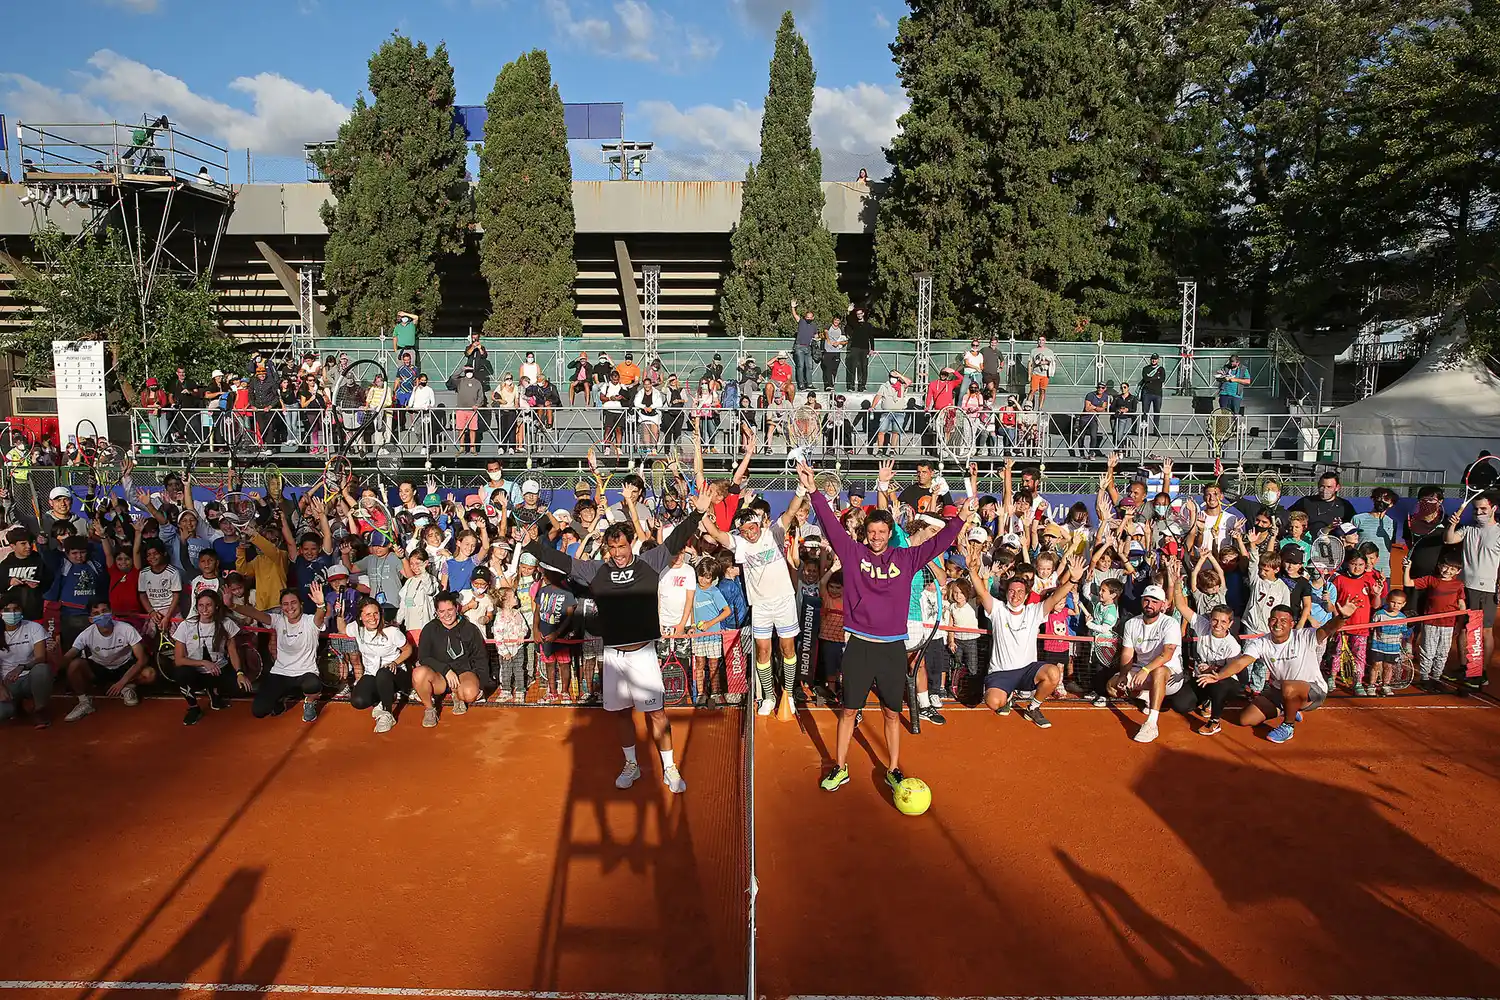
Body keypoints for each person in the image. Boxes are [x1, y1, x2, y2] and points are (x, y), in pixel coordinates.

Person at [525, 485, 712, 795]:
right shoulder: (595, 570)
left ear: (631, 545)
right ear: (608, 549)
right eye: (613, 549)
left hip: (644, 655)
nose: (619, 553)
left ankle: (669, 767)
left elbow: (678, 538)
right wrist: (533, 547)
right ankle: (631, 764)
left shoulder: (649, 563)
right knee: (622, 714)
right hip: (613, 655)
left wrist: (698, 512)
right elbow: (562, 561)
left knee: (657, 713)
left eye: (622, 547)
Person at [807, 461, 975, 794]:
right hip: (859, 646)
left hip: (892, 648)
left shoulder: (906, 558)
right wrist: (813, 491)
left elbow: (937, 544)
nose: (877, 537)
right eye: (872, 532)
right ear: (865, 533)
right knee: (848, 710)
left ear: (889, 534)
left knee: (889, 712)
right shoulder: (853, 553)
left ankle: (893, 768)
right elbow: (829, 524)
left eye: (882, 532)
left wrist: (959, 519)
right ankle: (840, 767)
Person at [699, 472, 807, 715]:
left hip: (784, 602)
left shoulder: (774, 534)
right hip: (760, 606)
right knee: (763, 650)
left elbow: (790, 513)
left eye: (752, 527)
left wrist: (800, 490)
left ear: (759, 524)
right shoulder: (740, 544)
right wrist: (702, 513)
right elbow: (716, 534)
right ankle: (769, 697)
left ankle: (787, 694)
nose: (750, 533)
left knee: (788, 649)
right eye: (745, 530)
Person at [967, 552, 1084, 728]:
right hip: (1001, 672)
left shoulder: (1034, 611)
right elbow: (982, 593)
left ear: (1027, 593)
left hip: (1028, 670)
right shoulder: (998, 609)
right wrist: (972, 571)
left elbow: (1054, 597)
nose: (1016, 595)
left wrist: (1073, 580)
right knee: (993, 702)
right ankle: (1007, 698)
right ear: (1006, 592)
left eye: (1020, 591)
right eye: (1012, 591)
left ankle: (1033, 708)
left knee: (1053, 673)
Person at [1225, 601, 1354, 743]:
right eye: (1274, 619)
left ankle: (1288, 726)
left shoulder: (1305, 636)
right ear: (1268, 622)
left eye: (1283, 621)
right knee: (1246, 719)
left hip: (1313, 691)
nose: (1277, 623)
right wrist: (1218, 676)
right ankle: (1291, 708)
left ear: (1292, 624)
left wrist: (1342, 617)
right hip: (1281, 691)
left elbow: (1328, 628)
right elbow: (1241, 662)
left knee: (1289, 686)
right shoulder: (1261, 642)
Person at [232, 586, 329, 722]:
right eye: (285, 604)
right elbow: (253, 613)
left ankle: (310, 702)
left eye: (293, 602)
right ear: (281, 607)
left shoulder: (309, 621)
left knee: (313, 685)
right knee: (259, 711)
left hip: (306, 672)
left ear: (301, 604)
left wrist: (321, 604)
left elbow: (320, 616)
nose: (290, 607)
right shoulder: (278, 620)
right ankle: (278, 701)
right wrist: (232, 605)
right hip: (280, 672)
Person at [1108, 584, 1183, 744]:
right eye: (1146, 600)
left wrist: (1145, 669)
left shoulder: (1171, 623)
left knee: (1159, 671)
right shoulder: (1131, 624)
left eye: (1154, 602)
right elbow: (1127, 653)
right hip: (1141, 672)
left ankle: (1151, 723)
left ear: (1163, 605)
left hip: (1170, 675)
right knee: (1112, 686)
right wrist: (1123, 675)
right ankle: (1146, 696)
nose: (1149, 605)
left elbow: (1167, 654)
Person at [61, 599, 150, 723]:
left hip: (124, 666)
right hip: (99, 667)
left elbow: (142, 659)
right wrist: (55, 659)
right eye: (96, 613)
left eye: (104, 611)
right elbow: (70, 654)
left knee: (149, 674)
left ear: (111, 612)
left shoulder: (126, 629)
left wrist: (122, 682)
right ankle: (84, 702)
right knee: (74, 665)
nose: (101, 615)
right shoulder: (86, 634)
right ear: (91, 619)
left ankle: (127, 687)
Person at [1443, 490, 1500, 680]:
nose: (1479, 513)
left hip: (1488, 588)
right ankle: (1464, 667)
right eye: (1476, 510)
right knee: (1464, 627)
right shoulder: (1468, 529)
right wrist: (1452, 525)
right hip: (1465, 586)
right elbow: (1448, 539)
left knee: (1486, 630)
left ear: (1494, 508)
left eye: (1483, 508)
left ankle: (1482, 671)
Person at [170, 590, 247, 726]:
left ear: (216, 606)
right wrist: (203, 663)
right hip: (196, 673)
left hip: (219, 670)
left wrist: (240, 673)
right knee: (180, 672)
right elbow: (179, 659)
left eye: (208, 605)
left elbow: (233, 651)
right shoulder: (186, 626)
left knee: (240, 688)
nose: (204, 609)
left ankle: (214, 693)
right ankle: (194, 707)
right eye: (201, 605)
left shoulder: (226, 623)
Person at [0, 598, 53, 727]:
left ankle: (40, 710)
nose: (12, 613)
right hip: (5, 681)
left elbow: (41, 657)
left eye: (16, 609)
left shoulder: (33, 627)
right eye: (8, 610)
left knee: (42, 669)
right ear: (1, 612)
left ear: (22, 611)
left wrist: (22, 667)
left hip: (29, 676)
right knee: (4, 712)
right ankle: (15, 705)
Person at [448, 364, 486, 454]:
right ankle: (462, 447)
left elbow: (481, 396)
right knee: (461, 429)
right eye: (467, 371)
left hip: (473, 411)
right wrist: (462, 369)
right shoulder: (460, 381)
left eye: (470, 371)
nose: (469, 373)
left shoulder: (477, 383)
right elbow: (453, 377)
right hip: (461, 409)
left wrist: (477, 405)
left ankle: (473, 448)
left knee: (473, 429)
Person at [790, 300, 819, 390]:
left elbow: (816, 335)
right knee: (800, 366)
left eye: (810, 317)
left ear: (813, 317)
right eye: (807, 317)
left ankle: (809, 384)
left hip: (808, 348)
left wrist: (818, 338)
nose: (809, 318)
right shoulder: (802, 321)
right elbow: (795, 315)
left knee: (809, 366)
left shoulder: (814, 325)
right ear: (805, 317)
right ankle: (801, 385)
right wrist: (793, 307)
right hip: (799, 347)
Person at [1139, 352, 1166, 435]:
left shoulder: (1161, 369)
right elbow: (1146, 378)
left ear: (1158, 360)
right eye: (1152, 359)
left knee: (1157, 412)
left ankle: (1156, 430)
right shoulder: (1145, 368)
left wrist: (1152, 378)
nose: (1154, 360)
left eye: (1155, 359)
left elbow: (1162, 379)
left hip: (1157, 393)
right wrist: (1156, 377)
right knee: (1145, 412)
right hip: (1147, 393)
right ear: (1150, 360)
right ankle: (1144, 429)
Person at [1028, 336, 1058, 409]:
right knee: (1033, 390)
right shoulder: (1033, 351)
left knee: (1043, 390)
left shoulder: (1049, 351)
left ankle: (1040, 408)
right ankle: (1028, 406)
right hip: (1036, 373)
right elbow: (1030, 363)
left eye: (1042, 340)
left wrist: (1043, 362)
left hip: (1045, 374)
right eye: (1039, 340)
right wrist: (1029, 375)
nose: (1041, 341)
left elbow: (1052, 361)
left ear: (1045, 341)